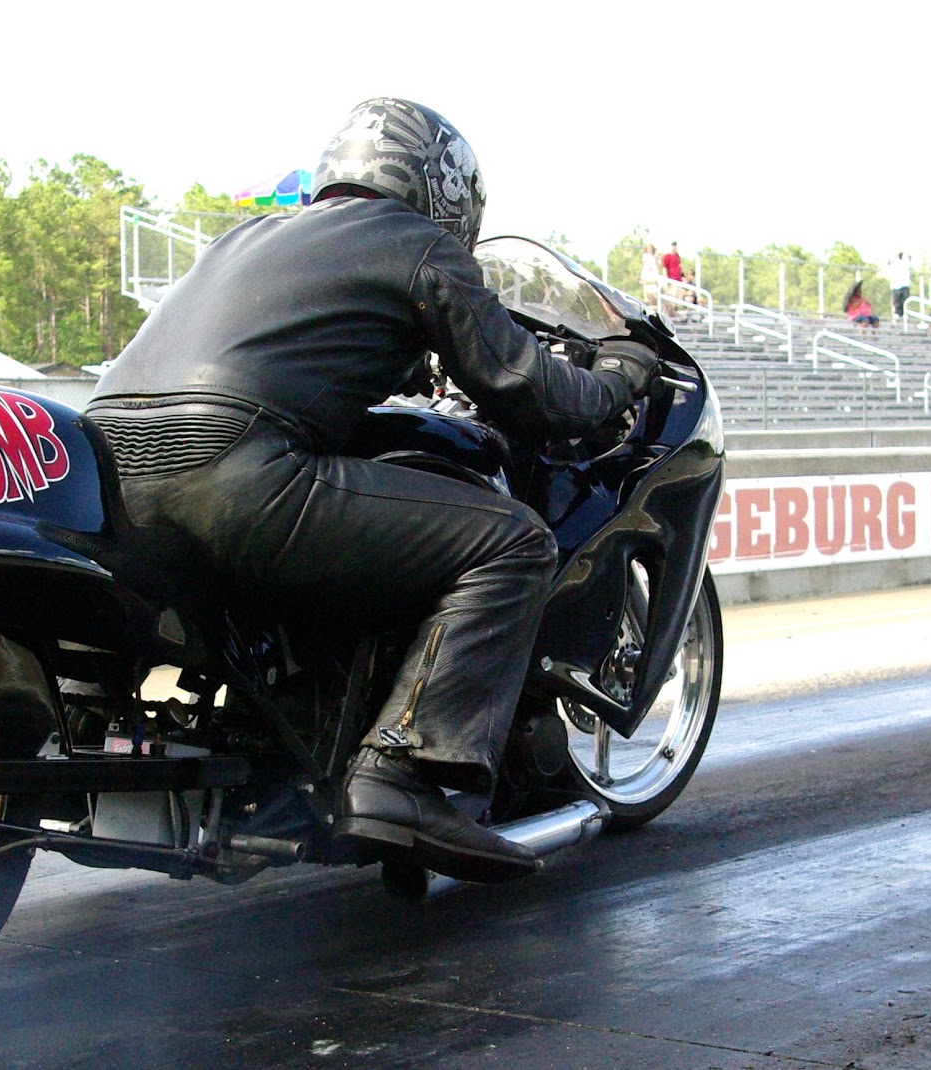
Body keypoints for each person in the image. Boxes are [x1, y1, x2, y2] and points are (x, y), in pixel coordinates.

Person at [85, 98, 657, 884]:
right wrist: (618, 378)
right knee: (513, 540)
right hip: (234, 474)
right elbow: (530, 390)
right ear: (445, 192)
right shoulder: (417, 245)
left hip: (106, 472)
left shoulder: (244, 239)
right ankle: (401, 774)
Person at [885, 251, 912, 321]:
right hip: (896, 285)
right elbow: (888, 262)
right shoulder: (894, 262)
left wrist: (905, 252)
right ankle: (896, 315)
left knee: (904, 302)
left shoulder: (905, 262)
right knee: (897, 302)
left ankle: (904, 315)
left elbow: (910, 258)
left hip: (904, 285)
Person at [660, 242, 684, 311]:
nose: (674, 247)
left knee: (678, 300)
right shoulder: (667, 256)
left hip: (678, 280)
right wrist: (667, 280)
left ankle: (676, 313)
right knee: (671, 299)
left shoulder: (677, 256)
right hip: (672, 280)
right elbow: (664, 267)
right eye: (673, 246)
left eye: (675, 246)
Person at [639, 244, 661, 309]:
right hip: (647, 273)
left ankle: (655, 302)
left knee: (655, 290)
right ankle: (647, 300)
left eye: (651, 249)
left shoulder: (655, 256)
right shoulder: (646, 256)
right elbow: (647, 265)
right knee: (646, 288)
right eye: (648, 249)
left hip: (653, 274)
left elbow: (656, 265)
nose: (650, 250)